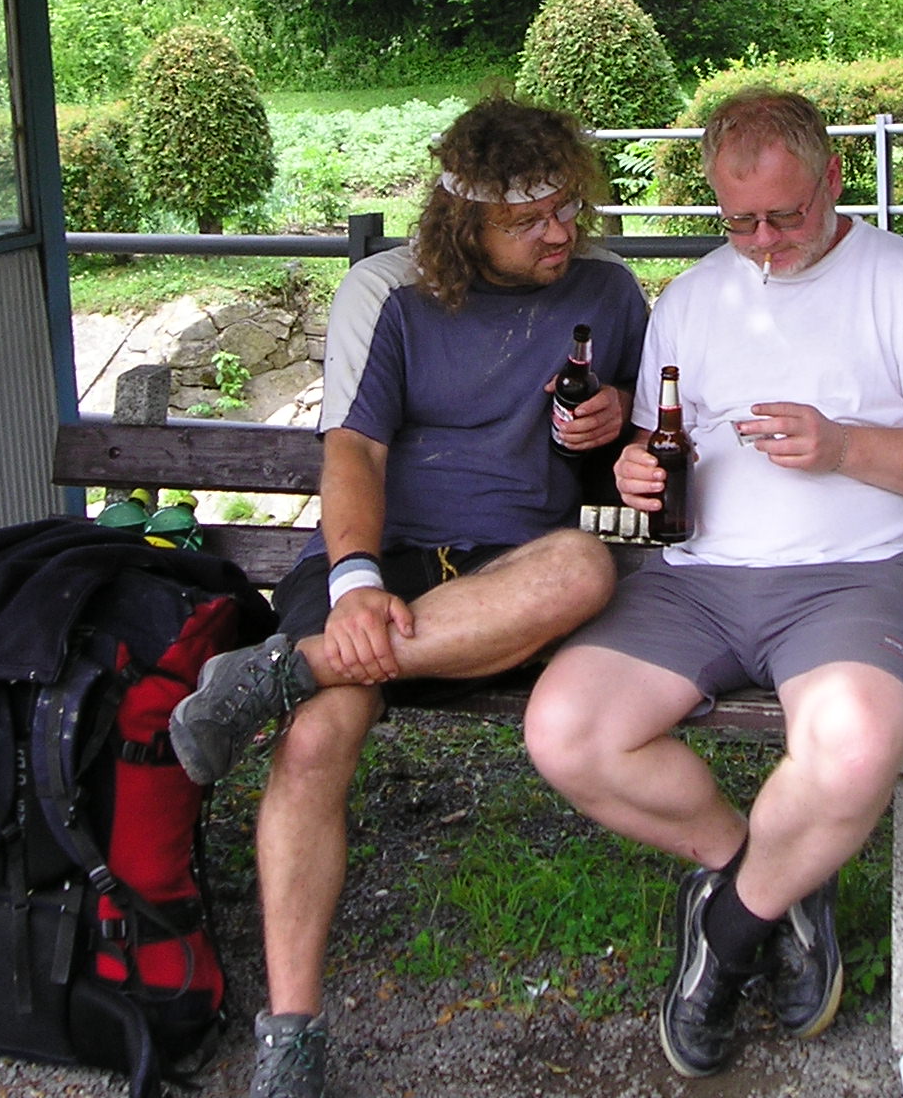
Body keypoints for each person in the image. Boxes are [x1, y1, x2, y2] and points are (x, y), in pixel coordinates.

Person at [524, 87, 903, 1079]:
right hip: (696, 582)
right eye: (737, 220)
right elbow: (658, 444)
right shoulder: (694, 298)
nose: (762, 243)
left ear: (833, 176)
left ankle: (728, 929)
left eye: (784, 216)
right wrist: (636, 469)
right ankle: (778, 875)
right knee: (566, 732)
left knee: (851, 746)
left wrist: (843, 446)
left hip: (851, 581)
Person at [169, 97, 648, 1098]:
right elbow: (353, 449)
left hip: (510, 572)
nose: (559, 232)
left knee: (584, 566)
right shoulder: (386, 289)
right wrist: (353, 586)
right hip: (378, 559)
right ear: (463, 222)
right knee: (316, 738)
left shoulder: (608, 293)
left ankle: (281, 671)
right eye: (527, 220)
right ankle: (290, 1035)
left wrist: (618, 423)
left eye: (568, 207)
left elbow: (650, 444)